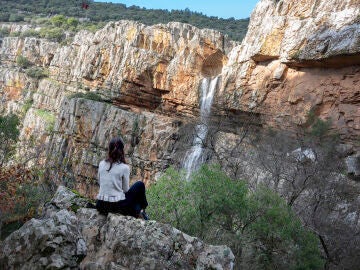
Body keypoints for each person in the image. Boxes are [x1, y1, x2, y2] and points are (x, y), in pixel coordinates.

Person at [96, 137, 148, 220]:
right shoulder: (124, 167)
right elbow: (125, 190)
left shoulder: (101, 164)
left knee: (132, 197)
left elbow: (100, 183)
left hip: (101, 205)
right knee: (140, 185)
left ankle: (140, 211)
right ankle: (142, 210)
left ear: (109, 149)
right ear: (122, 151)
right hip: (115, 207)